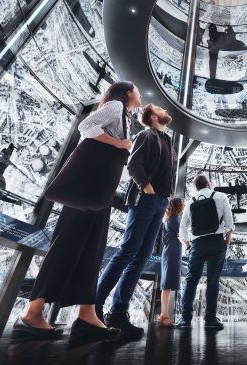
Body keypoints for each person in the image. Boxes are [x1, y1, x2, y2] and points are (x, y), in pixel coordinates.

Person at [15, 81, 141, 341]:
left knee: (92, 250)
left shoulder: (126, 116)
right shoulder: (116, 106)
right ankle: (32, 313)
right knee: (68, 243)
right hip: (88, 190)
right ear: (128, 93)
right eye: (137, 90)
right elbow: (86, 126)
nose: (140, 94)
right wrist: (117, 145)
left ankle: (87, 314)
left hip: (99, 191)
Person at [96, 104, 173, 339]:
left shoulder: (166, 140)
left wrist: (165, 197)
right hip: (145, 199)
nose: (163, 109)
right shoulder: (145, 135)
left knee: (140, 258)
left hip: (159, 202)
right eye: (158, 108)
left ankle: (118, 312)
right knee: (128, 252)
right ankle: (93, 307)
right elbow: (133, 164)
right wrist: (147, 188)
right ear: (152, 116)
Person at [175, 175, 234, 330]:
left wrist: (188, 245)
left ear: (195, 187)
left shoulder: (190, 201)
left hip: (197, 245)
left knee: (191, 280)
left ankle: (185, 319)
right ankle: (210, 319)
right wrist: (225, 244)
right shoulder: (221, 196)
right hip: (216, 243)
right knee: (213, 281)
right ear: (209, 184)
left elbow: (182, 230)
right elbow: (229, 224)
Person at [159, 197, 185, 327]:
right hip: (171, 255)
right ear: (179, 206)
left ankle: (163, 315)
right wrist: (188, 244)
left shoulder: (170, 219)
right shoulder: (175, 220)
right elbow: (182, 235)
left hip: (170, 253)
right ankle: (164, 316)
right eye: (183, 204)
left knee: (167, 286)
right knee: (167, 286)